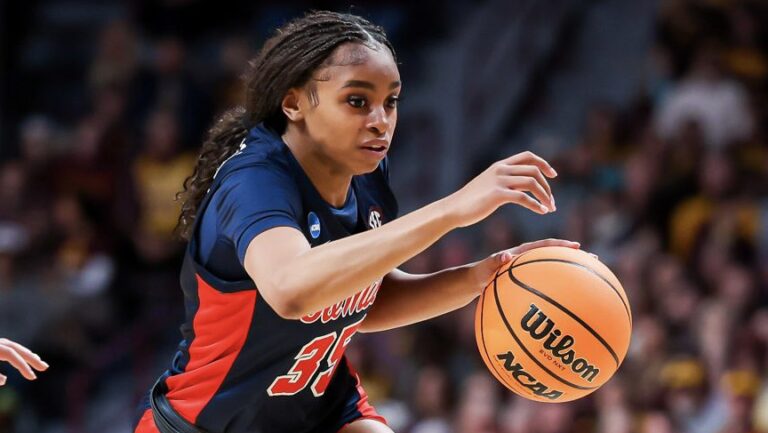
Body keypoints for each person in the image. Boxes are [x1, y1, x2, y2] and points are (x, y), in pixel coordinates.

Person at [134, 11, 580, 433]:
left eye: (391, 102)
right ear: (293, 103)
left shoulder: (365, 173)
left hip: (321, 409)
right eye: (357, 101)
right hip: (204, 424)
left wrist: (481, 277)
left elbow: (365, 297)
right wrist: (453, 209)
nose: (380, 121)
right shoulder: (253, 180)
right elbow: (292, 289)